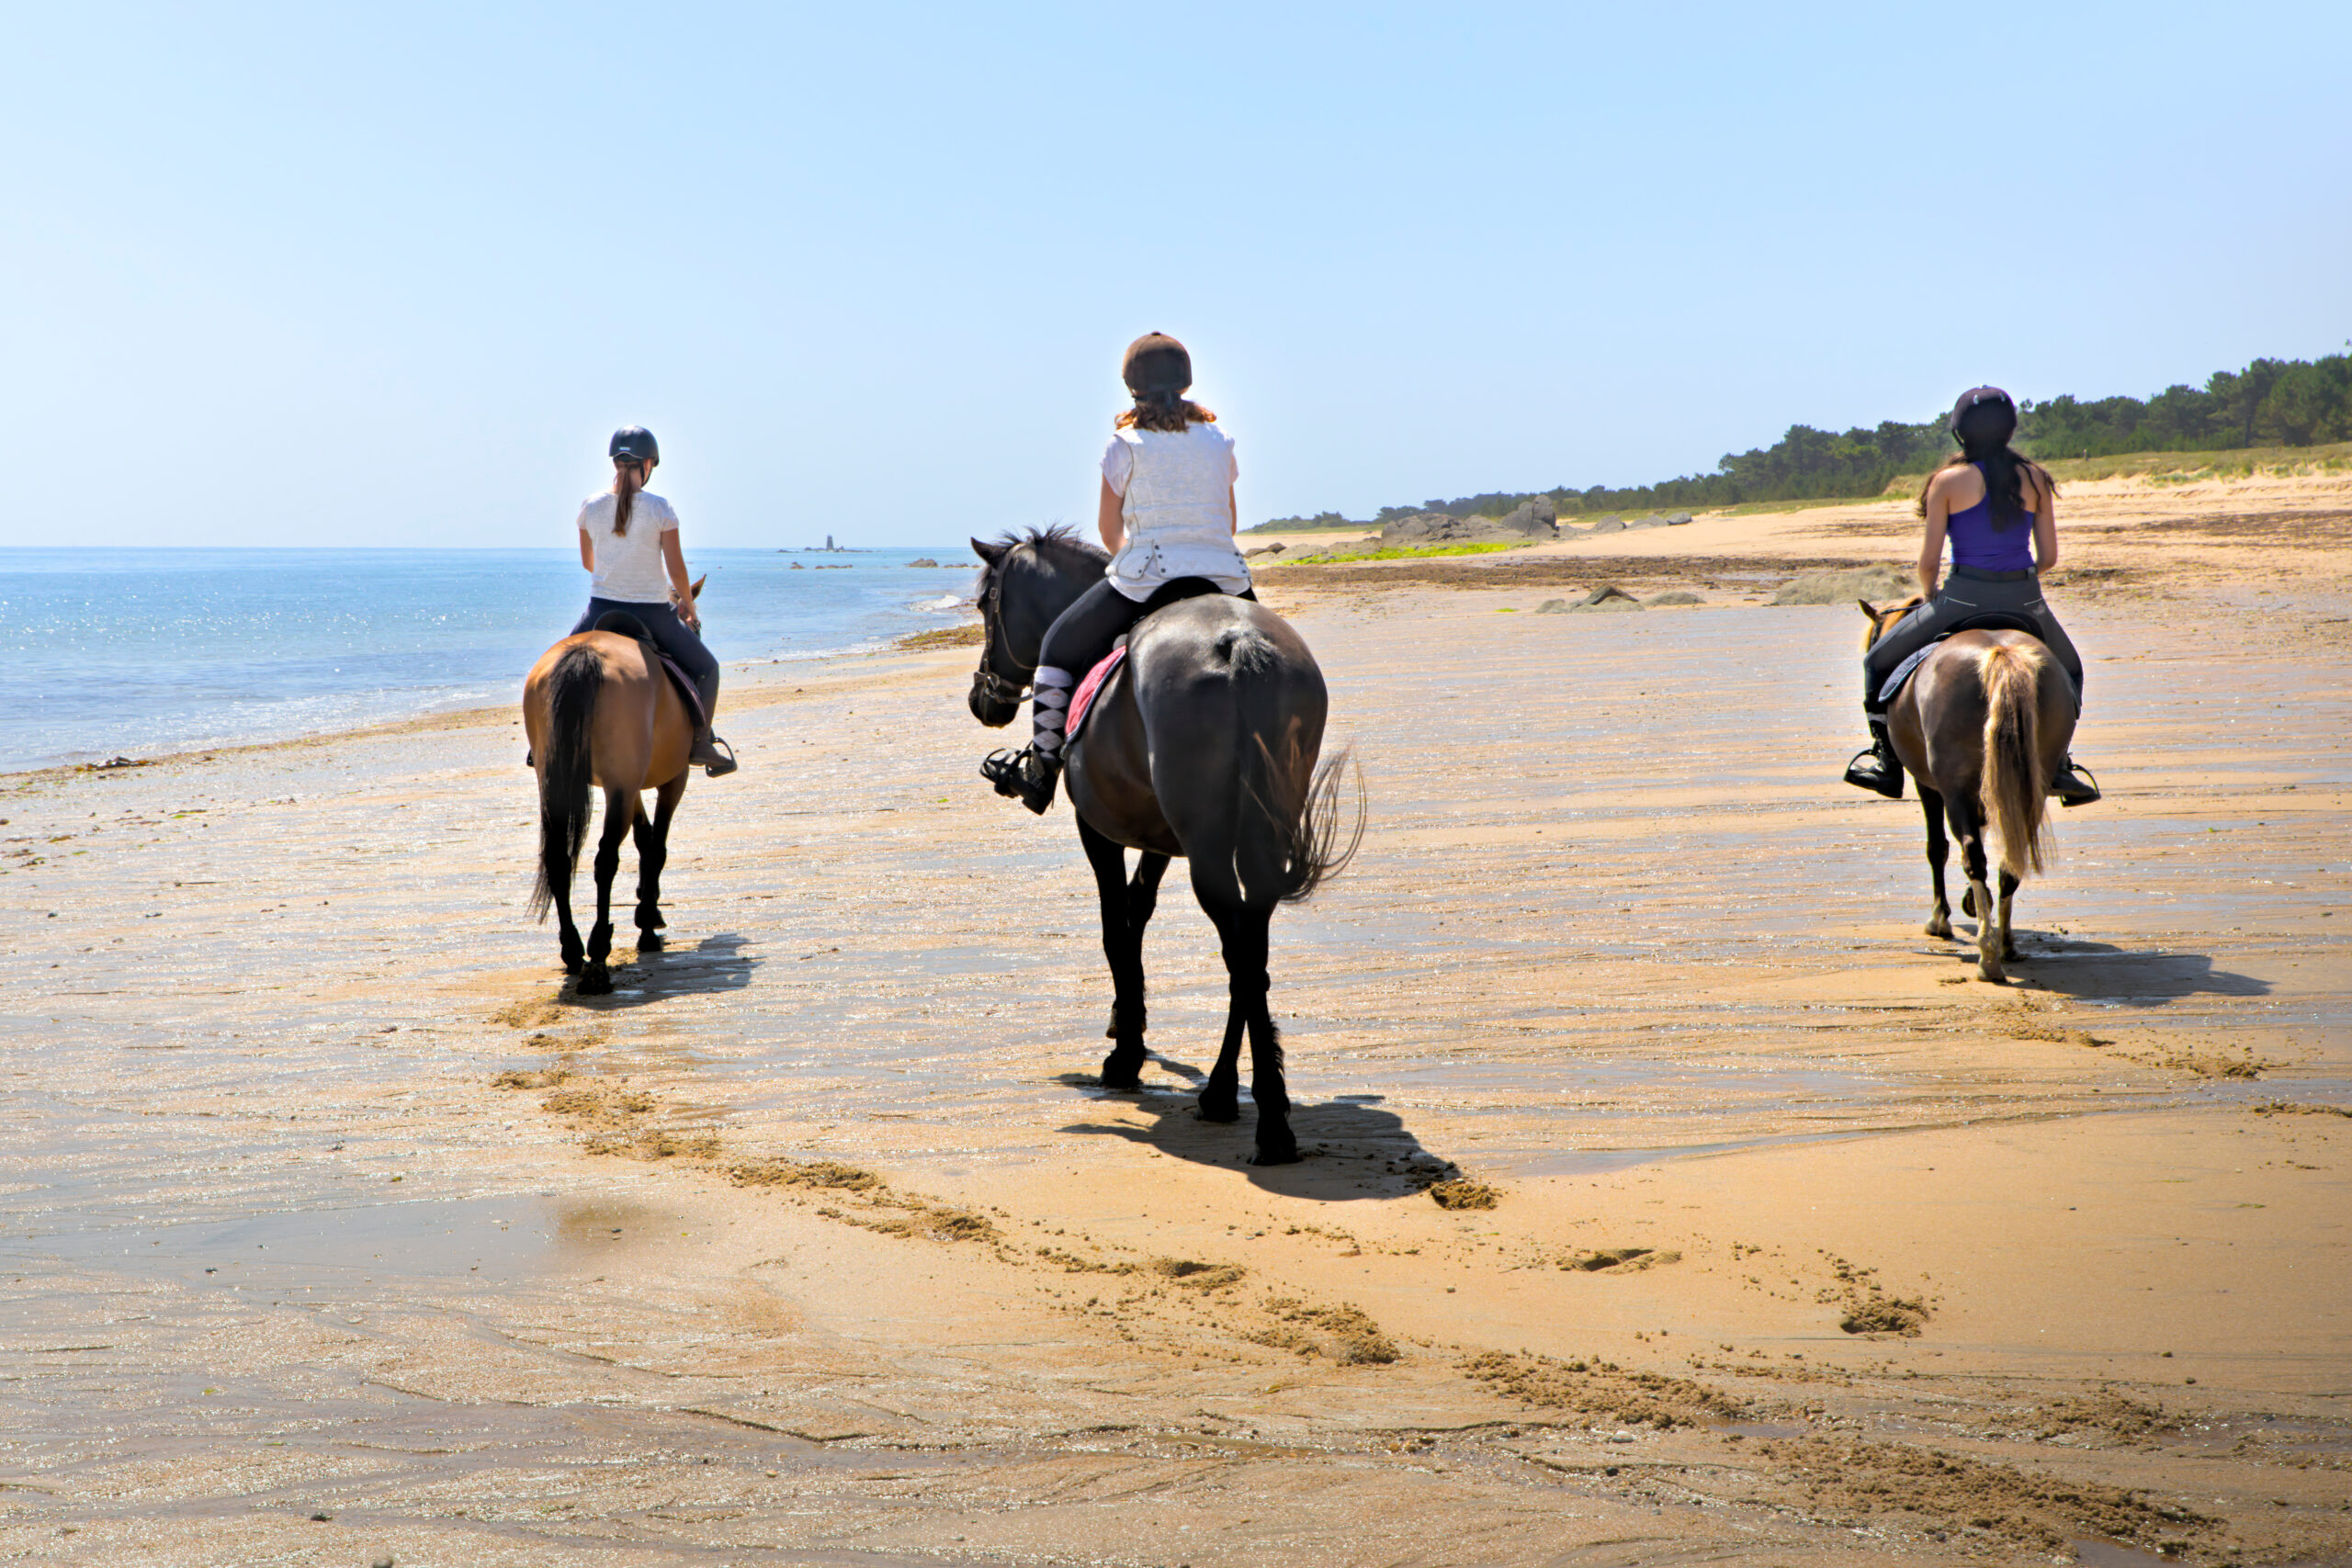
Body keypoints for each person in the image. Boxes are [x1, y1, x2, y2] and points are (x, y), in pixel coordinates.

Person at [982, 333, 1252, 813]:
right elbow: (1227, 523)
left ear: (1132, 389)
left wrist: (1143, 558)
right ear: (1186, 383)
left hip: (1147, 576)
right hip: (1227, 577)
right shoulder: (1220, 441)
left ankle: (1040, 771)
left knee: (1056, 650)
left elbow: (1110, 535)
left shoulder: (1123, 446)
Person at [1845, 387, 2098, 804]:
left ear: (1959, 433)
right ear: (2010, 428)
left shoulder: (1945, 481)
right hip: (2026, 601)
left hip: (1960, 599)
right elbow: (2049, 556)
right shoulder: (2035, 478)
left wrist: (1931, 597)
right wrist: (2017, 580)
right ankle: (2060, 764)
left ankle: (1885, 762)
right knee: (2070, 672)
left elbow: (1928, 564)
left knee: (1877, 661)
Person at [569, 426, 737, 776]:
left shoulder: (590, 506)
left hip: (599, 610)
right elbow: (676, 569)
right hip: (653, 613)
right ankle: (701, 744)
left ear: (615, 462)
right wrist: (687, 603)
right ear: (647, 464)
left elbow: (589, 564)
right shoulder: (661, 508)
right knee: (708, 669)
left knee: (557, 667)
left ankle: (542, 745)